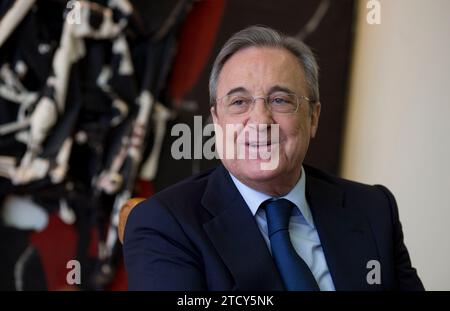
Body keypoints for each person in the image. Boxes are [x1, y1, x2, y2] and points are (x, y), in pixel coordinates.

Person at [123, 26, 424, 291]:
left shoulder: (373, 209)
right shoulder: (166, 225)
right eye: (239, 102)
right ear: (216, 122)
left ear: (314, 117)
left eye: (280, 100)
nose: (260, 120)